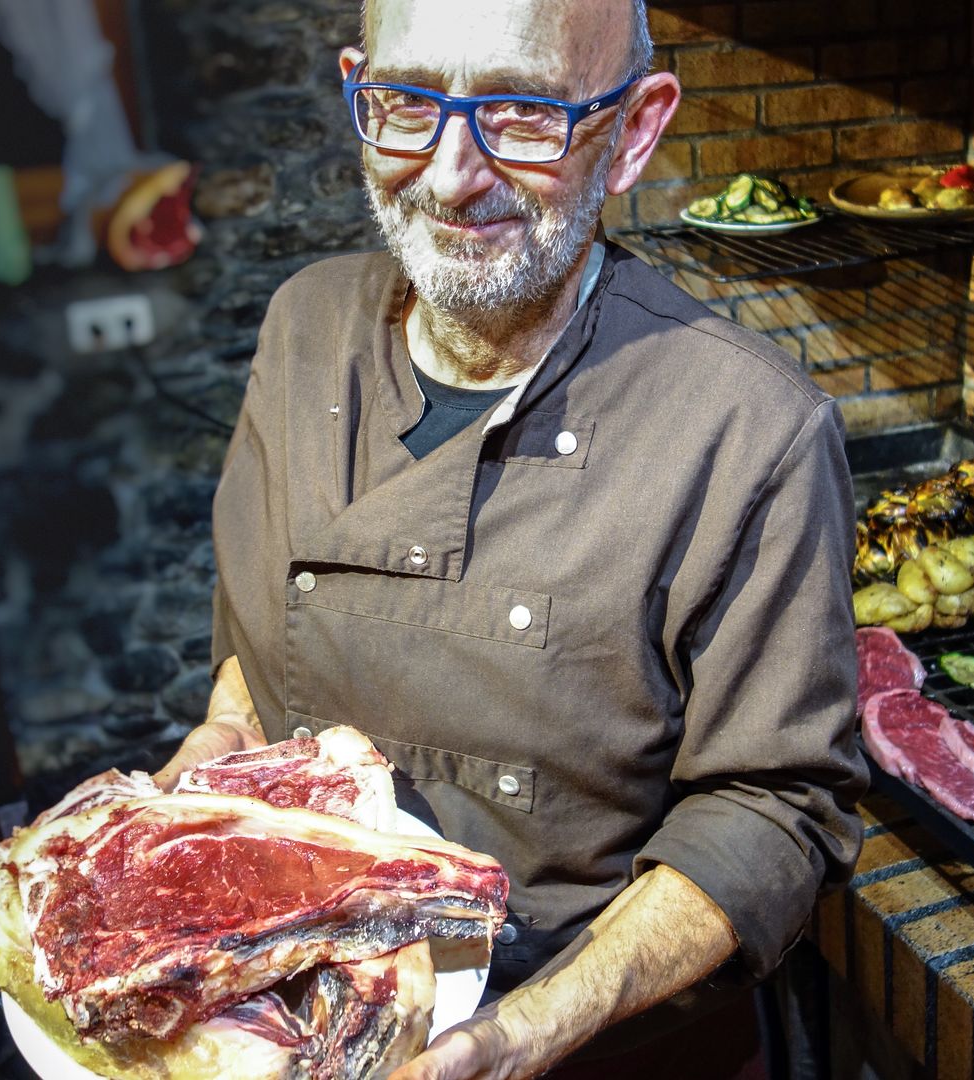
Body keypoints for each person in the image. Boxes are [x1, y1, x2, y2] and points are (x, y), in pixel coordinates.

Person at [155, 0, 868, 1075]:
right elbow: (259, 654)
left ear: (633, 128)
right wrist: (218, 743)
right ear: (358, 86)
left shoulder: (748, 426)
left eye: (523, 112)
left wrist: (531, 1030)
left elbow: (774, 809)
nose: (449, 176)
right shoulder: (304, 330)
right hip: (304, 1027)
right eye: (405, 103)